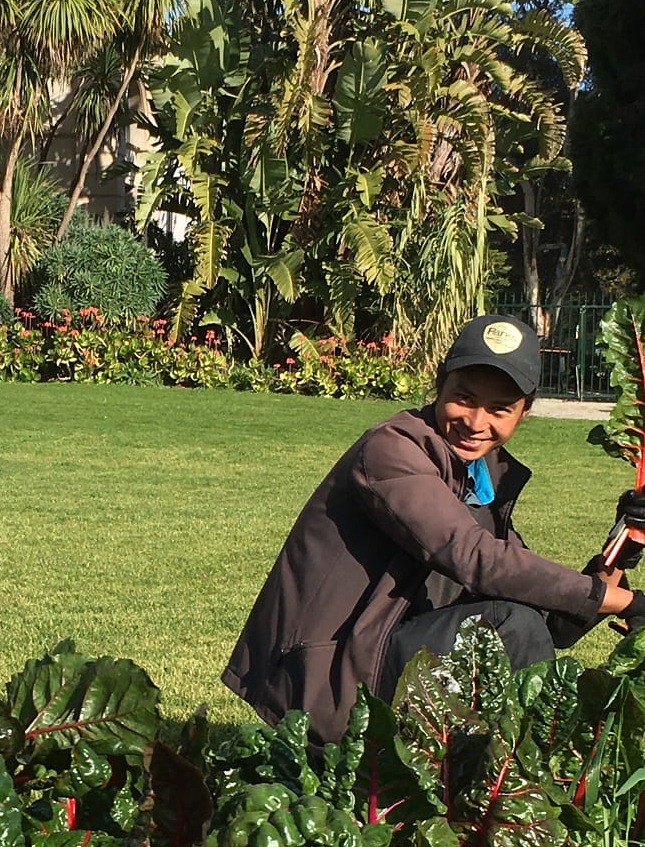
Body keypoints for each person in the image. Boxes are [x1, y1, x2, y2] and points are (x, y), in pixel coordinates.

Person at [223, 314, 645, 747]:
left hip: (385, 653)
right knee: (511, 626)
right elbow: (472, 556)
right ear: (439, 384)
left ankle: (497, 780)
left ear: (524, 411)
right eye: (464, 397)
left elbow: (553, 626)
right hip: (324, 674)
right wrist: (629, 603)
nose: (477, 421)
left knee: (521, 622)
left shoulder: (478, 475)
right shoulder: (392, 450)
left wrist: (624, 543)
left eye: (500, 408)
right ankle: (523, 784)